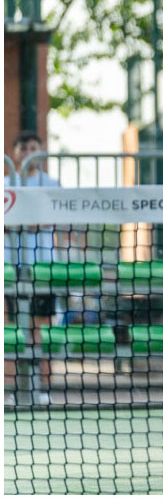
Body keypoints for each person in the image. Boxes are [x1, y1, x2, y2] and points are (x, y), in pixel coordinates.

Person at [4, 130, 60, 405]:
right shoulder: (5, 184)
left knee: (41, 329)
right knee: (10, 330)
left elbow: (49, 220)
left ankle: (42, 387)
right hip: (9, 267)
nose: (27, 152)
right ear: (14, 153)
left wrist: (19, 223)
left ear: (41, 150)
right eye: (23, 148)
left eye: (32, 148)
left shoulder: (51, 184)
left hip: (44, 268)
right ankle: (9, 388)